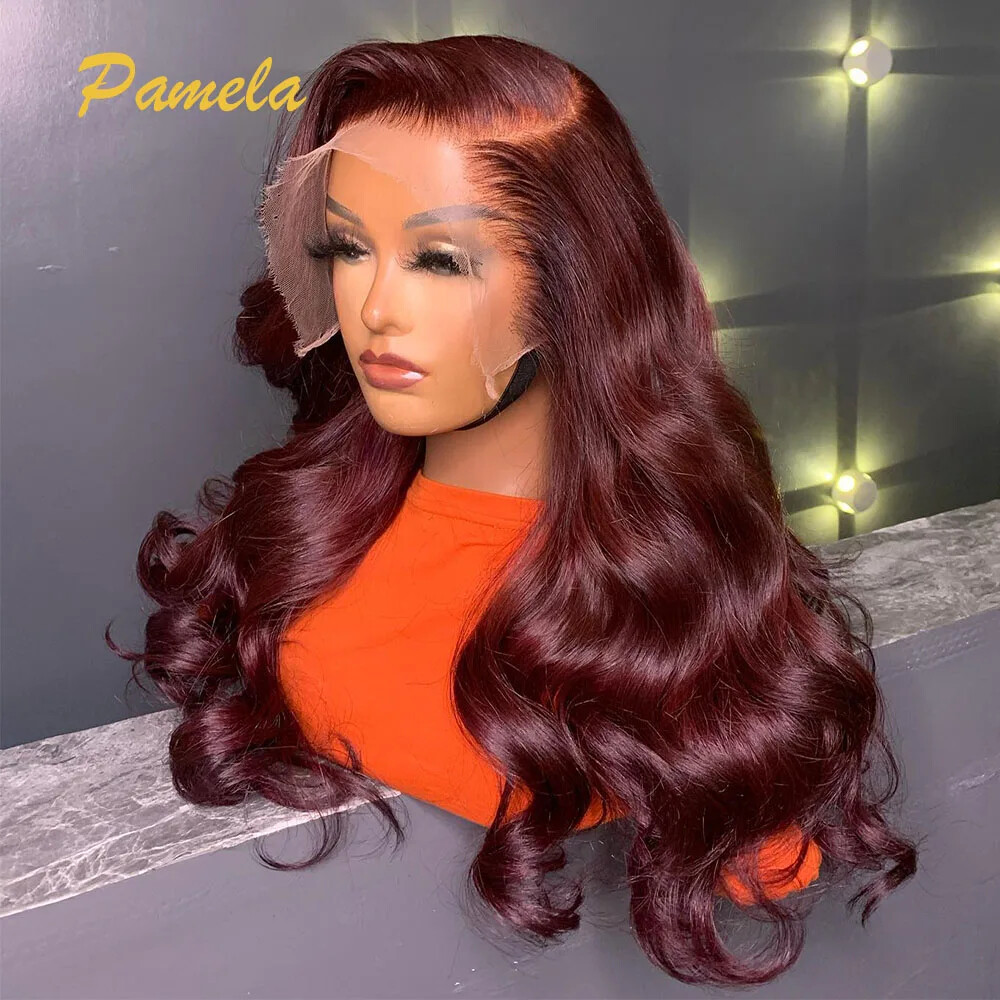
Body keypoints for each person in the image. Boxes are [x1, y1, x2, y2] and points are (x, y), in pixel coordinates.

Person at [111, 34, 917, 987]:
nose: (374, 307)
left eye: (439, 259)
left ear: (573, 281)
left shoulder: (671, 606)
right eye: (347, 247)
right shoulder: (310, 533)